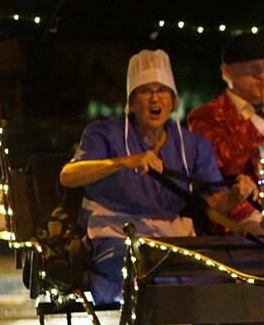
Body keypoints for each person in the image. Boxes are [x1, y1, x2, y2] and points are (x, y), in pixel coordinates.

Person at [59, 49, 248, 303]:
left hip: (172, 235)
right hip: (114, 232)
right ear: (132, 101)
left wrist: (236, 196)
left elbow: (215, 203)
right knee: (141, 273)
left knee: (215, 276)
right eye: (145, 91)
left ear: (173, 101)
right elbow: (68, 176)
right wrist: (123, 162)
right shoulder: (103, 133)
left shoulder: (193, 145)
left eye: (162, 91)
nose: (154, 98)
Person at [187, 33, 264, 232]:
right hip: (239, 220)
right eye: (252, 69)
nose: (262, 76)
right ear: (227, 72)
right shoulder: (205, 116)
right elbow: (226, 163)